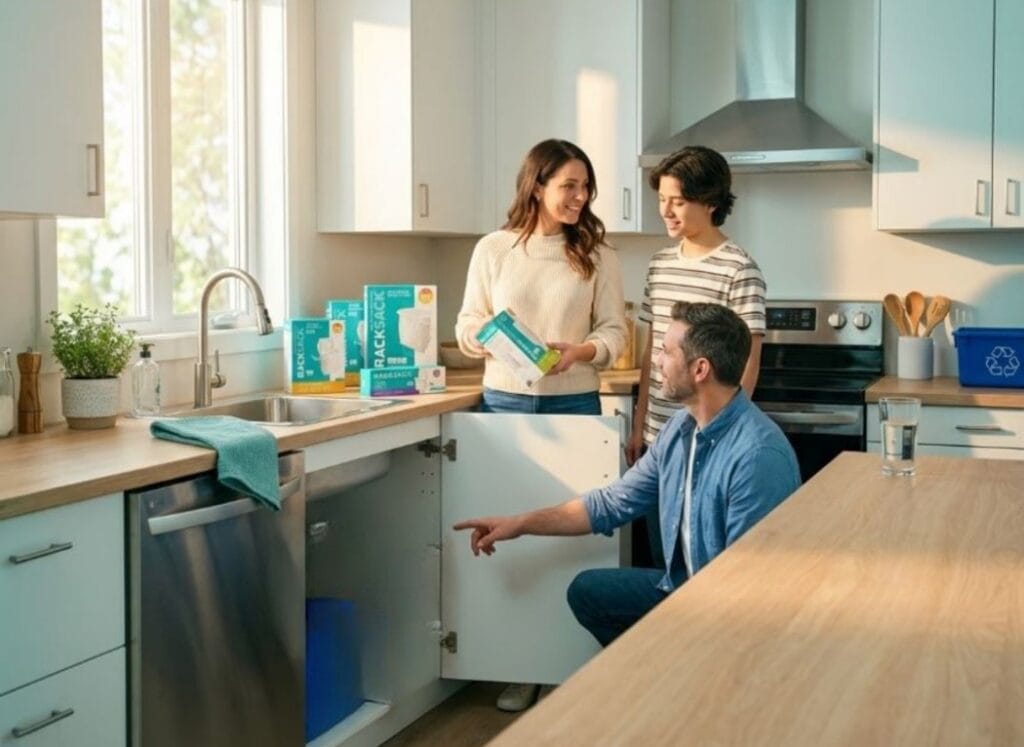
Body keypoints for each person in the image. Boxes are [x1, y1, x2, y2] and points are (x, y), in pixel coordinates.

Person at [454, 302, 800, 648]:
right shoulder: (681, 428)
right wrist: (520, 524)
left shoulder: (757, 456)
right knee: (589, 593)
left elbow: (749, 590)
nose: (657, 362)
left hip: (735, 617)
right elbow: (612, 504)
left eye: (665, 352)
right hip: (686, 589)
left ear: (700, 369)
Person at [454, 138, 627, 710]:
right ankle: (521, 663)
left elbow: (616, 335)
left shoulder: (598, 256)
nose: (580, 197)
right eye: (568, 186)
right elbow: (467, 323)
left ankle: (566, 665)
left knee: (570, 540)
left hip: (573, 406)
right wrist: (487, 336)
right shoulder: (494, 249)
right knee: (514, 539)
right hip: (503, 404)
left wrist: (579, 353)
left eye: (585, 187)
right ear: (537, 186)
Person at [627, 145, 767, 568]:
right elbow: (652, 351)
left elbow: (748, 362)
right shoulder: (659, 265)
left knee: (707, 567)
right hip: (659, 440)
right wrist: (640, 425)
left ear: (709, 201)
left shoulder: (739, 269)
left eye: (678, 201)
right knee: (661, 564)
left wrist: (722, 441)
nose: (666, 211)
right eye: (662, 201)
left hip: (707, 442)